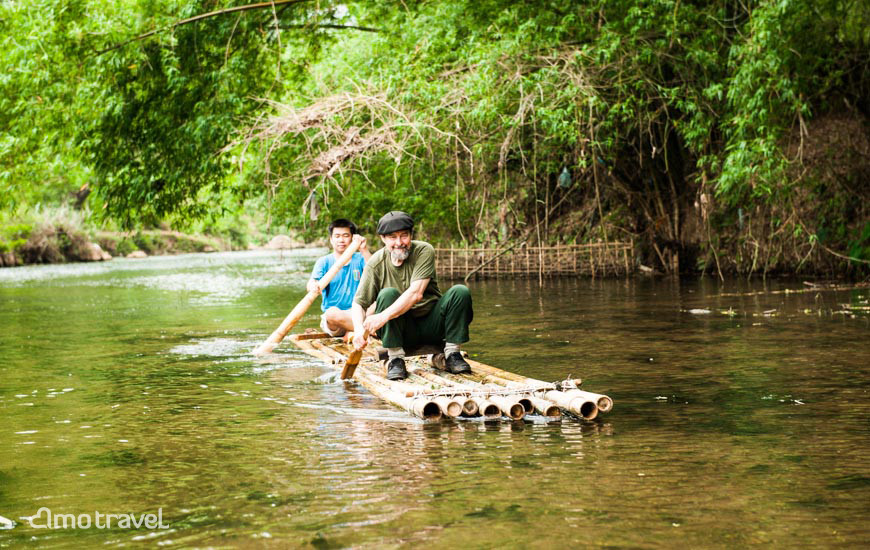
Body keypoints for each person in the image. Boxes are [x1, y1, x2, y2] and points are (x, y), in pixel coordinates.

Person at [351, 211, 473, 381]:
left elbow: (416, 293)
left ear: (411, 235)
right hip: (401, 332)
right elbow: (358, 303)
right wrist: (358, 331)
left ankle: (452, 353)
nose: (399, 242)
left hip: (433, 325)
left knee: (460, 292)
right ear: (383, 239)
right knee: (387, 294)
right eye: (392, 237)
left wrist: (382, 317)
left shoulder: (424, 250)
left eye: (404, 236)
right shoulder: (376, 263)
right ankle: (395, 359)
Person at [307, 219, 371, 337]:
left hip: (360, 312)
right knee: (331, 314)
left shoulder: (361, 258)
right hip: (337, 320)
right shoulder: (324, 261)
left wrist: (364, 249)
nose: (341, 240)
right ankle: (367, 331)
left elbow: (375, 274)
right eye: (337, 236)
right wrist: (313, 286)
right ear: (331, 240)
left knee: (378, 302)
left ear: (352, 238)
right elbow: (313, 282)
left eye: (346, 236)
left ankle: (354, 331)